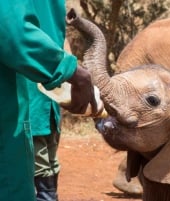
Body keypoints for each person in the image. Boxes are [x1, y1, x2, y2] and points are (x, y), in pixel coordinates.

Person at [0, 1, 98, 201]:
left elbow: (57, 37)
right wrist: (72, 72)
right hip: (21, 94)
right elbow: (14, 33)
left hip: (40, 93)